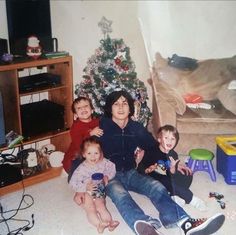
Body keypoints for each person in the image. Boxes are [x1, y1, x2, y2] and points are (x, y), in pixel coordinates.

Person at [73, 90, 225, 235]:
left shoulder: (136, 128)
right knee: (121, 197)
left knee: (156, 187)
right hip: (110, 176)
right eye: (116, 104)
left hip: (132, 172)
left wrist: (175, 161)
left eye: (124, 103)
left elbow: (155, 148)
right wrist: (80, 187)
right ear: (110, 108)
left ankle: (184, 223)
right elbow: (81, 155)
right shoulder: (102, 128)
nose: (120, 107)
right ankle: (146, 228)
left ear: (130, 108)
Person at [137, 124, 207, 211]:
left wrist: (173, 167)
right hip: (153, 177)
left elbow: (172, 173)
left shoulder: (173, 154)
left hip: (166, 174)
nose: (169, 141)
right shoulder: (152, 151)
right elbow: (143, 168)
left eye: (172, 139)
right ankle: (192, 199)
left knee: (187, 174)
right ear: (159, 139)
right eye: (166, 138)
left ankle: (174, 196)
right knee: (166, 181)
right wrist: (148, 168)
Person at [69, 136, 119, 233]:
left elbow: (112, 168)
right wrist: (84, 187)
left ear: (100, 153)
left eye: (96, 153)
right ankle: (98, 224)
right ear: (84, 154)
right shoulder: (81, 168)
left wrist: (107, 176)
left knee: (101, 206)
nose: (93, 156)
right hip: (87, 192)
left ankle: (109, 223)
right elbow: (73, 183)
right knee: (91, 209)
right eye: (89, 153)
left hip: (99, 189)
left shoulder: (103, 162)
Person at [62, 96, 103, 174]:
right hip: (77, 155)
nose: (83, 109)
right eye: (79, 108)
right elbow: (79, 146)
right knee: (80, 175)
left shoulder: (97, 122)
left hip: (93, 153)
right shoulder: (75, 127)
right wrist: (90, 133)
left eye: (86, 106)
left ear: (92, 110)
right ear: (76, 115)